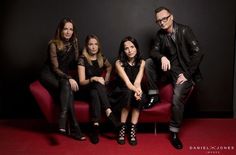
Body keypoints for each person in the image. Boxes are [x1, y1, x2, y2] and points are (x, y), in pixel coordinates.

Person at [145, 7, 204, 149]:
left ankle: (174, 132)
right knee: (148, 62)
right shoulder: (160, 35)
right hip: (168, 71)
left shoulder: (184, 30)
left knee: (177, 98)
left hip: (183, 73)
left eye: (164, 18)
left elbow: (198, 52)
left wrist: (188, 74)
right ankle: (154, 95)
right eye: (158, 20)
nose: (161, 22)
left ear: (171, 17)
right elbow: (153, 50)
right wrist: (162, 56)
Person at [39, 17, 86, 140]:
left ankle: (65, 120)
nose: (68, 32)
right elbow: (55, 68)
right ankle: (75, 127)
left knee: (67, 87)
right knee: (67, 87)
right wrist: (69, 77)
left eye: (70, 29)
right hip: (49, 75)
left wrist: (76, 47)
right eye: (65, 29)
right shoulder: (53, 44)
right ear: (60, 30)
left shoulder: (73, 44)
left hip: (62, 77)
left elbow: (75, 62)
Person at [77, 34, 120, 144]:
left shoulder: (101, 58)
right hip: (84, 89)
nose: (93, 47)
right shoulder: (82, 59)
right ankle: (109, 113)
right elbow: (81, 81)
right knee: (95, 86)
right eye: (91, 44)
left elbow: (109, 67)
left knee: (95, 92)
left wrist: (107, 77)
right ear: (87, 46)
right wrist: (94, 78)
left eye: (95, 44)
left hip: (95, 91)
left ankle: (95, 127)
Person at [114, 36, 145, 146]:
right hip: (121, 91)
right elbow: (127, 83)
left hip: (134, 89)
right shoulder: (119, 63)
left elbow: (137, 82)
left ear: (136, 48)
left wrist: (139, 91)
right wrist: (135, 90)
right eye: (126, 48)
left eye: (132, 47)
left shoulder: (142, 62)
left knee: (138, 96)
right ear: (123, 50)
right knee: (128, 93)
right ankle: (122, 129)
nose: (130, 50)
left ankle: (132, 130)